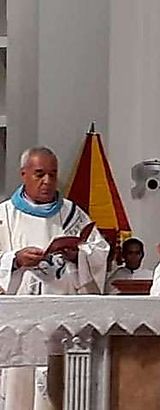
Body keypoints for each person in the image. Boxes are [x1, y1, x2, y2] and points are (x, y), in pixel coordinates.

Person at [0, 146, 109, 410]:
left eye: (52, 174)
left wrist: (77, 255)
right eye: (39, 174)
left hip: (61, 323)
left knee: (57, 394)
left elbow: (99, 253)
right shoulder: (4, 217)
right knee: (18, 392)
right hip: (20, 323)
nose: (47, 181)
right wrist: (14, 260)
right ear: (23, 174)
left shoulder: (73, 215)